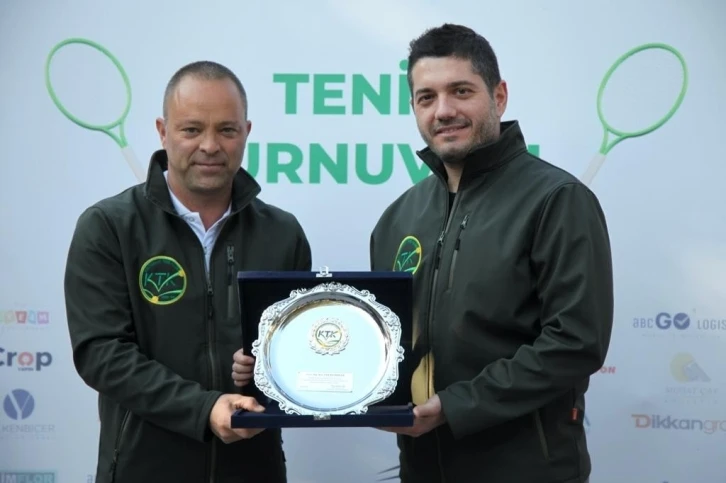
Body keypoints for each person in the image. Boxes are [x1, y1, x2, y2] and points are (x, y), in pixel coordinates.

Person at [368, 24, 613, 482]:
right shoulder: (398, 218)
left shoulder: (557, 199)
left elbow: (576, 343)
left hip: (526, 469)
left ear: (499, 96)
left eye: (461, 91)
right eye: (426, 97)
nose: (444, 110)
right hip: (422, 468)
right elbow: (384, 339)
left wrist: (455, 407)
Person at [64, 60, 312, 483]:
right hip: (143, 470)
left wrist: (267, 369)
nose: (210, 146)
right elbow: (101, 354)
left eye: (227, 130)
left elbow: (297, 354)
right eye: (192, 129)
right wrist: (203, 408)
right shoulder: (109, 227)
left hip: (254, 470)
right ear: (163, 132)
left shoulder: (282, 233)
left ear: (246, 132)